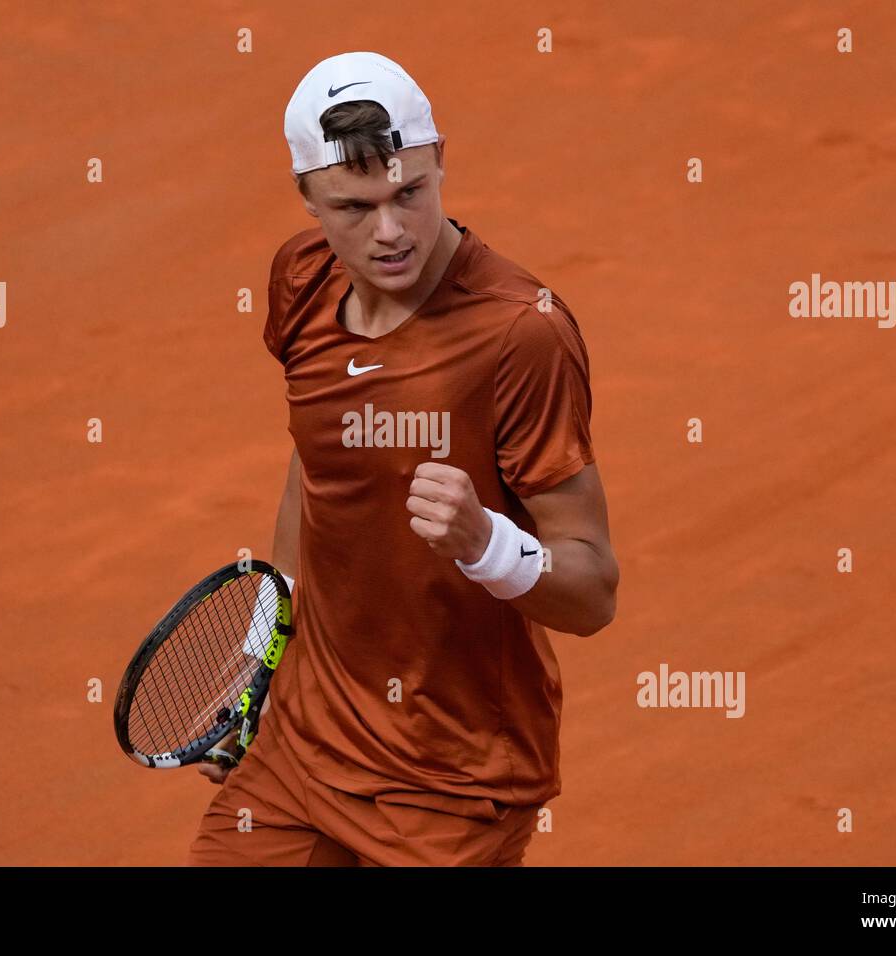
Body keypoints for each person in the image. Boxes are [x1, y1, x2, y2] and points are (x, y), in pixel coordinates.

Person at [187, 51, 618, 866]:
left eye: (409, 193)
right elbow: (315, 467)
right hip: (304, 745)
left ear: (440, 161)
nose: (390, 232)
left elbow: (593, 589)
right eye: (354, 206)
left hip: (452, 778)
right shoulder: (301, 280)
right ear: (307, 199)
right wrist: (260, 661)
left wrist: (486, 542)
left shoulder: (522, 334)